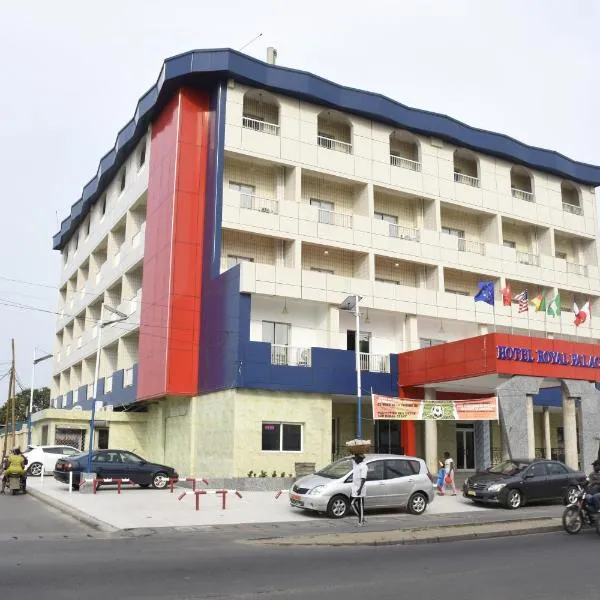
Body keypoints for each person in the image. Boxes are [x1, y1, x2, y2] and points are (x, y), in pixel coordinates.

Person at [350, 454, 368, 526]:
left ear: (360, 459)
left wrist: (360, 489)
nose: (355, 459)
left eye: (356, 458)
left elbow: (363, 479)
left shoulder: (364, 466)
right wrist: (355, 453)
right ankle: (362, 518)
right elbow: (352, 458)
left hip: (360, 488)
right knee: (352, 503)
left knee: (359, 505)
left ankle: (361, 522)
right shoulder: (356, 464)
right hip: (354, 487)